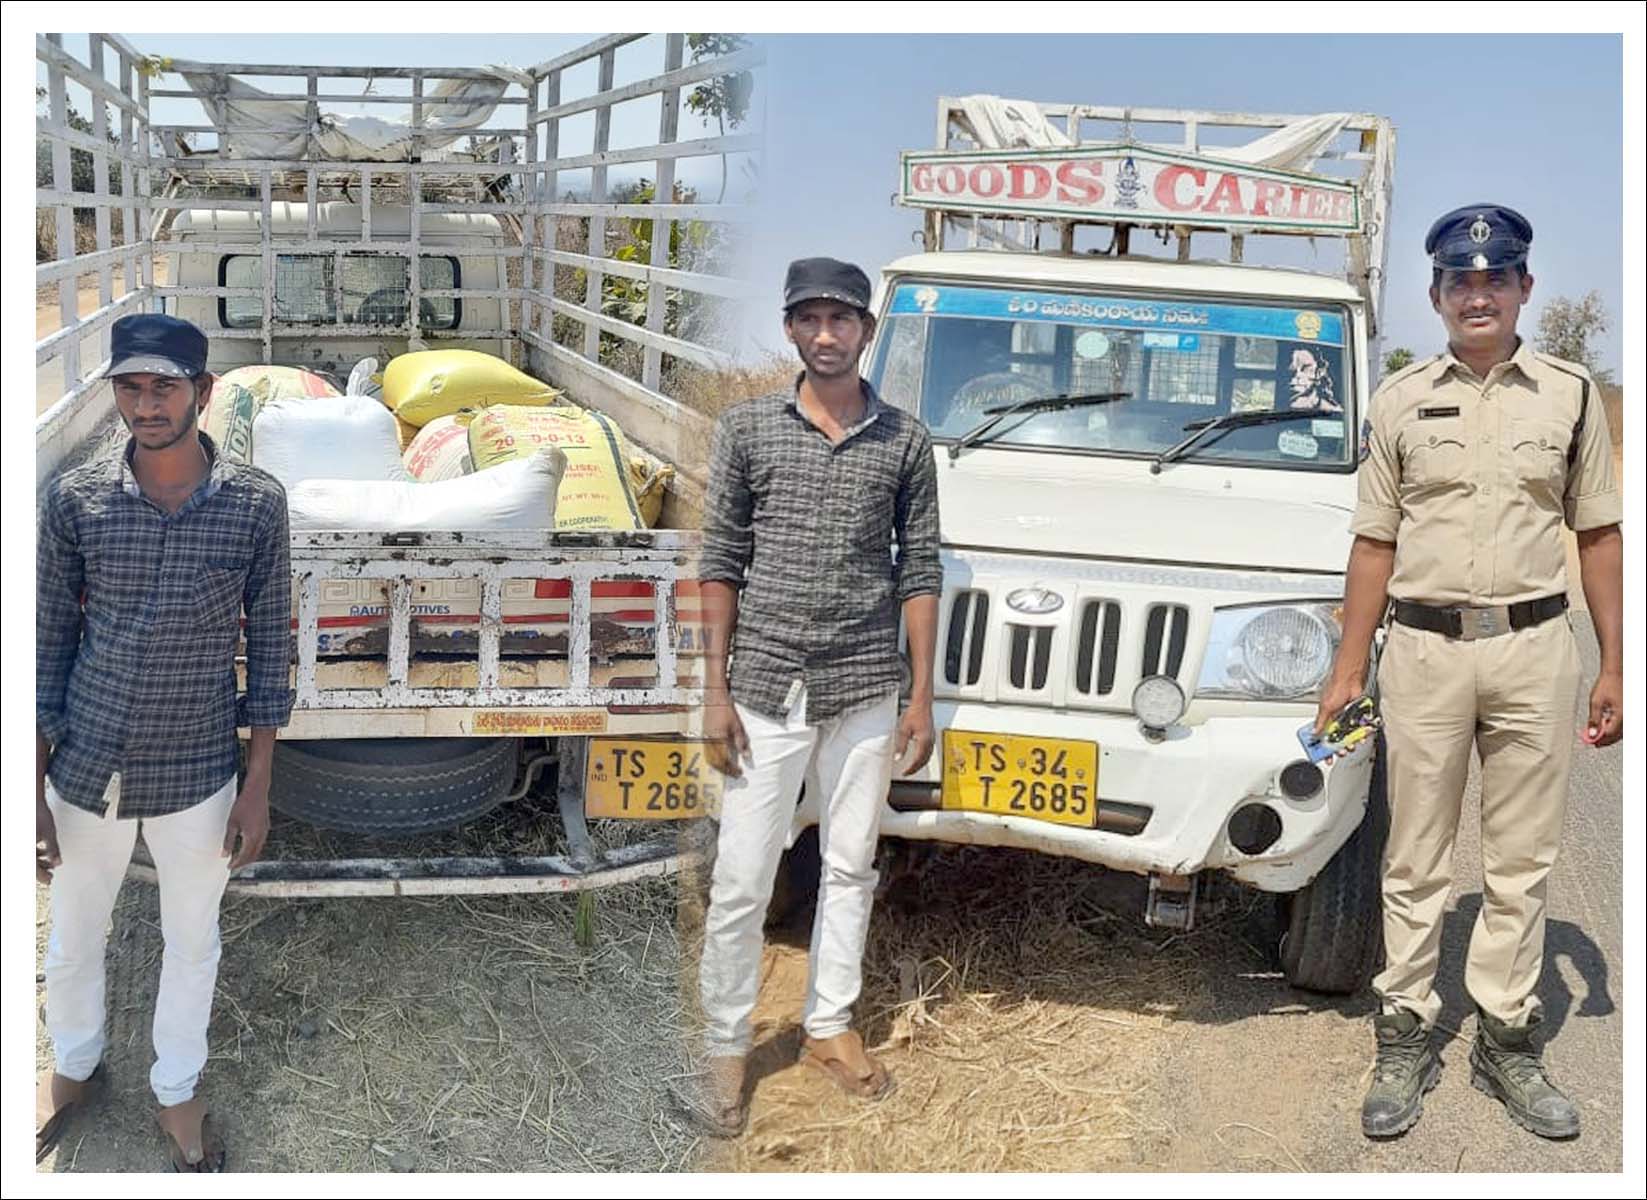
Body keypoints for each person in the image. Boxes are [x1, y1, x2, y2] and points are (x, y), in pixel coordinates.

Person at [1314, 205, 1623, 1141]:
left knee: (1521, 858)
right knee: (1414, 854)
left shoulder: (1571, 395)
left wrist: (1615, 663)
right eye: (1460, 280)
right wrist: (1345, 670)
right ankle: (1403, 1030)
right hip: (1423, 651)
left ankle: (1506, 1038)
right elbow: (1373, 541)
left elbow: (1597, 533)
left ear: (1524, 287)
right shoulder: (1399, 399)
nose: (1477, 294)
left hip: (1534, 648)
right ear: (1436, 293)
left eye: (1495, 279)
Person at [680, 257, 943, 1136]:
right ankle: (725, 1043)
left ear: (867, 330)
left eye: (841, 319)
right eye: (809, 319)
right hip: (764, 685)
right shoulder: (748, 429)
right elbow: (720, 561)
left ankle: (829, 1025)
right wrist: (714, 691)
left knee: (850, 864)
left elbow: (920, 569)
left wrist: (919, 697)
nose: (825, 335)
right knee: (742, 875)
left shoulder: (904, 441)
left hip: (865, 684)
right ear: (790, 328)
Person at [36, 314, 294, 1170]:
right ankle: (73, 1069)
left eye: (164, 388)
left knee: (192, 941)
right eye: (130, 387)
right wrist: (30, 787)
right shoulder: (75, 499)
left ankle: (177, 1090)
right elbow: (46, 643)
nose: (146, 406)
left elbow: (270, 648)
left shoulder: (255, 505)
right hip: (90, 757)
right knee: (75, 933)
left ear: (202, 393)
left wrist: (257, 784)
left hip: (199, 766)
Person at [1286, 344, 1341, 412]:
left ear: (1319, 373)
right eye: (1291, 370)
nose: (1297, 375)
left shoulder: (1333, 412)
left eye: (1306, 369)